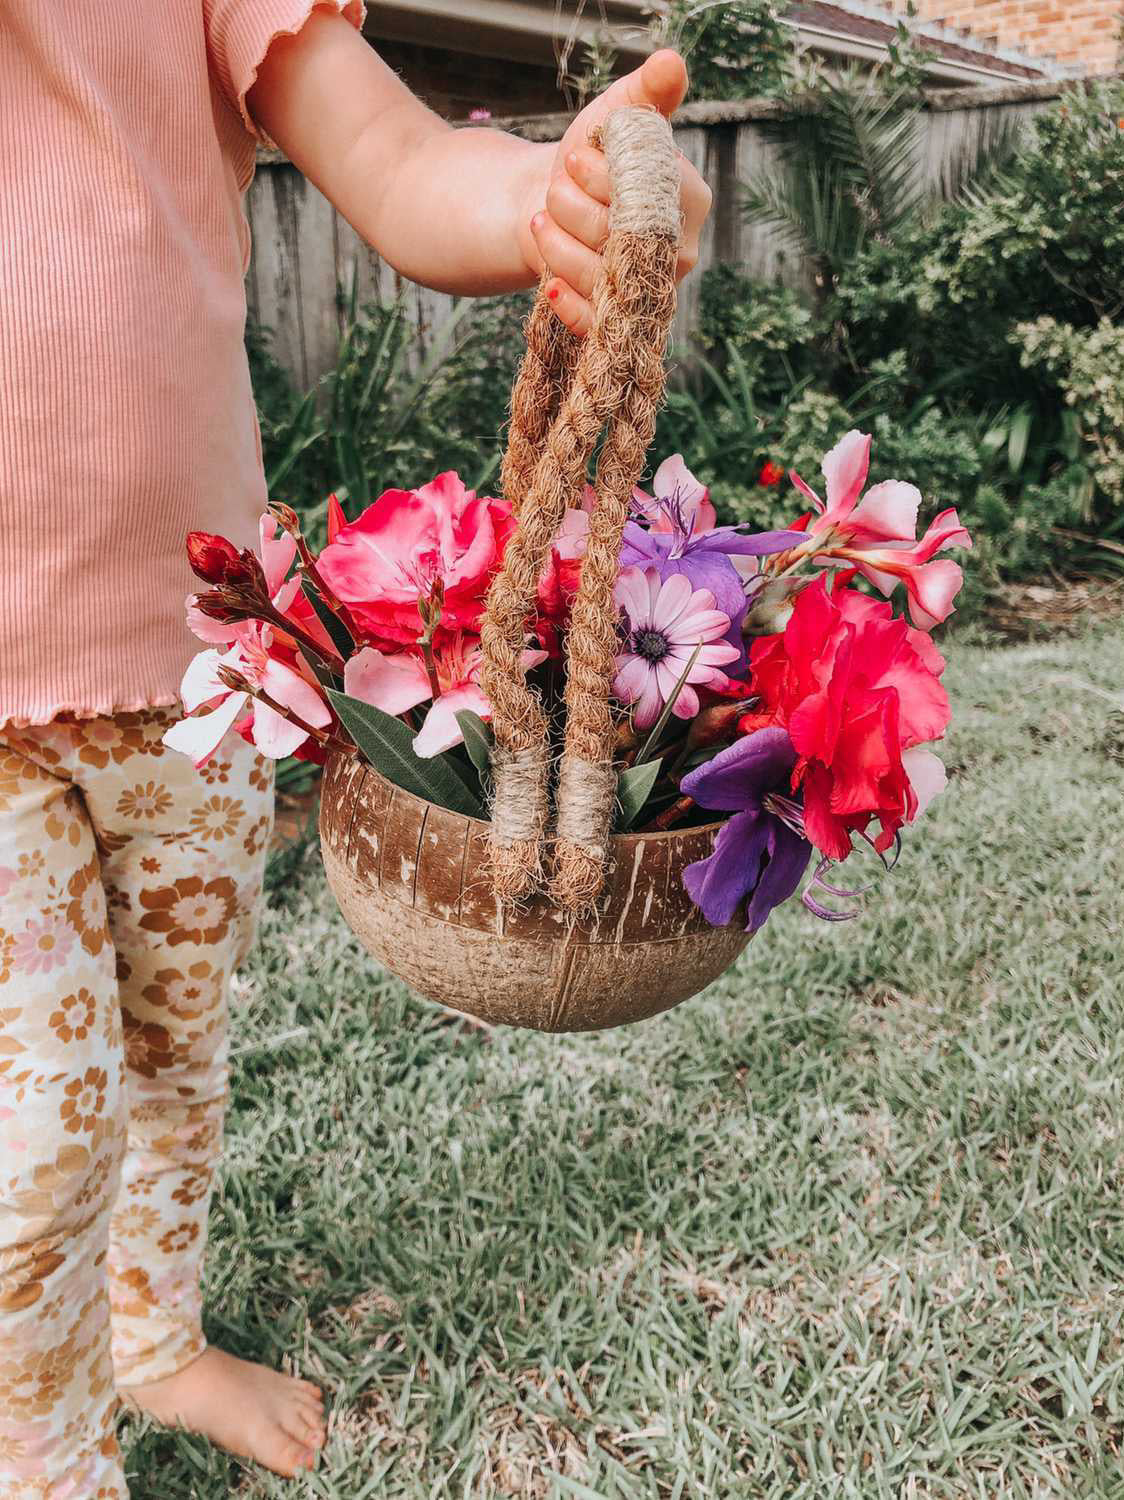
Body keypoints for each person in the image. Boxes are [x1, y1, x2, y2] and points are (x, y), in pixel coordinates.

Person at [0, 4, 711, 1494]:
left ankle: (157, 1340)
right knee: (40, 1134)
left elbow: (388, 154)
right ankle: (51, 1461)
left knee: (175, 1052)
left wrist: (541, 202)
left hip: (200, 667)